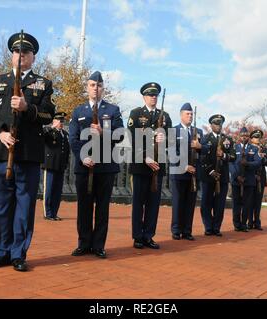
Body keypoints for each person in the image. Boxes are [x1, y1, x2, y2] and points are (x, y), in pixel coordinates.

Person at [0, 32, 55, 271]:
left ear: (33, 57)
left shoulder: (43, 84)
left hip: (28, 156)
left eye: (25, 52)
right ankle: (0, 252)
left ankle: (17, 254)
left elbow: (48, 114)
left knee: (24, 207)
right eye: (16, 51)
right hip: (1, 153)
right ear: (12, 55)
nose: (20, 55)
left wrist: (27, 107)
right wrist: (0, 133)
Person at [68, 71, 124, 258]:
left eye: (99, 85)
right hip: (84, 166)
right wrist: (83, 158)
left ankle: (99, 245)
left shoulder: (113, 110)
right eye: (92, 85)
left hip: (105, 167)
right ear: (87, 87)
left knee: (102, 208)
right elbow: (73, 139)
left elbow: (120, 134)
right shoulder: (79, 111)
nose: (95, 88)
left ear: (103, 89)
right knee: (84, 207)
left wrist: (103, 131)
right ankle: (83, 243)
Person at [127, 82, 172, 249]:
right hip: (140, 165)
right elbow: (131, 138)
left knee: (153, 204)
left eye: (155, 95)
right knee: (139, 203)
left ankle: (148, 236)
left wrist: (164, 138)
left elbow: (172, 140)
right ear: (144, 96)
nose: (153, 97)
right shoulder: (136, 113)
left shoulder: (165, 116)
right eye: (150, 94)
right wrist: (144, 157)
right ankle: (138, 236)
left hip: (157, 166)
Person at [169, 103, 208, 241]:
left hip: (193, 174)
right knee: (178, 202)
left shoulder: (198, 132)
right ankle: (176, 230)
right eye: (187, 114)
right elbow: (173, 152)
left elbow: (205, 151)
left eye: (191, 114)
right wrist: (185, 166)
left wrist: (200, 146)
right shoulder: (174, 130)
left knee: (190, 203)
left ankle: (187, 231)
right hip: (178, 172)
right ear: (181, 115)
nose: (190, 116)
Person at [200, 114, 236, 237]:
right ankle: (208, 226)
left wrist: (223, 156)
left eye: (220, 123)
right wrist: (211, 171)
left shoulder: (228, 140)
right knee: (206, 203)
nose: (218, 126)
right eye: (216, 123)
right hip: (208, 176)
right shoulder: (205, 139)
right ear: (211, 125)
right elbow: (202, 158)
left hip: (223, 177)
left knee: (219, 204)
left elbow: (233, 157)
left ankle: (216, 227)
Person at [229, 127, 261, 232]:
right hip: (236, 180)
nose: (244, 137)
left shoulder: (254, 149)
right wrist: (236, 176)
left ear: (249, 137)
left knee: (247, 204)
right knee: (236, 203)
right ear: (239, 136)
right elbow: (231, 163)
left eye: (246, 136)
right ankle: (236, 224)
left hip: (249, 180)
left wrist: (248, 164)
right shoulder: (234, 148)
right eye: (242, 135)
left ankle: (244, 224)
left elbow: (258, 162)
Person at [42, 111, 70, 221]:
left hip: (60, 166)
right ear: (54, 121)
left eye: (62, 121)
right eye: (59, 120)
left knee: (57, 191)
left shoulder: (65, 134)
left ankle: (54, 212)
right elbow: (41, 135)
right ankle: (47, 213)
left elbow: (67, 151)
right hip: (50, 165)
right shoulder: (49, 131)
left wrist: (65, 163)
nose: (61, 123)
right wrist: (51, 127)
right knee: (48, 190)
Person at [249, 129, 267, 230]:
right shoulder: (248, 148)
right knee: (249, 201)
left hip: (261, 177)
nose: (257, 139)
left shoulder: (265, 150)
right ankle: (249, 222)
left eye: (259, 137)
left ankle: (257, 222)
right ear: (251, 139)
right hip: (250, 176)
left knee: (258, 202)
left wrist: (265, 159)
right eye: (255, 137)